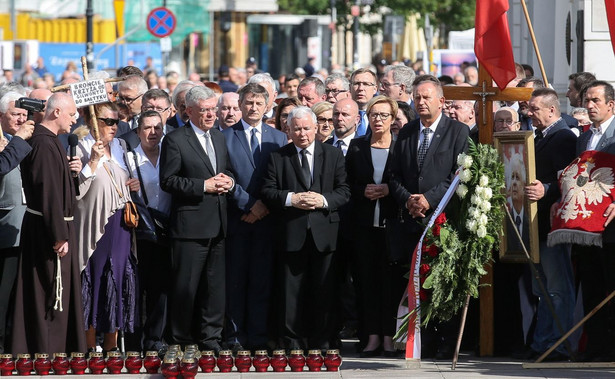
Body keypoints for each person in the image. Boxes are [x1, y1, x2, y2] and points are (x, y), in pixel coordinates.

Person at [389, 75, 469, 358]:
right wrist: (408, 199)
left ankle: (444, 339)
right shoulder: (407, 131)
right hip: (412, 217)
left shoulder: (458, 131)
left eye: (426, 97)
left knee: (442, 279)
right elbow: (394, 174)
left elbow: (457, 174)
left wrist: (429, 199)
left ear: (441, 101)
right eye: (417, 98)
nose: (421, 102)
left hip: (442, 218)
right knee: (414, 280)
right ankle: (419, 338)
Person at [261, 106, 350, 350]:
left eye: (306, 128)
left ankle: (322, 342)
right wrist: (293, 199)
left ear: (316, 128)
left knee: (324, 290)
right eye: (297, 128)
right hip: (292, 232)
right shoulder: (278, 157)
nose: (302, 133)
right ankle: (293, 342)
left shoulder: (332, 154)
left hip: (325, 234)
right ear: (288, 129)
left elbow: (344, 191)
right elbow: (268, 190)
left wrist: (322, 200)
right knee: (291, 292)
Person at [159, 86, 235, 352]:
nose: (211, 115)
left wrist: (229, 182)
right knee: (186, 288)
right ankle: (180, 339)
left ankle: (210, 339)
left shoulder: (219, 137)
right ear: (189, 111)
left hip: (218, 224)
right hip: (190, 227)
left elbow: (225, 171)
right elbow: (168, 180)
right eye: (204, 110)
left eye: (213, 109)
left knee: (215, 289)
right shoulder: (176, 139)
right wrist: (203, 186)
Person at [11, 92, 86, 355]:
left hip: (54, 226)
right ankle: (47, 353)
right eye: (72, 113)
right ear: (56, 112)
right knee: (50, 292)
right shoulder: (43, 143)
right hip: (49, 231)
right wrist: (59, 234)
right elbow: (48, 192)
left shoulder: (52, 141)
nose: (76, 118)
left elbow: (59, 187)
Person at [222, 83, 288, 351]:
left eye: (259, 103)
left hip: (267, 223)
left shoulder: (279, 138)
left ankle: (260, 337)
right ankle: (235, 337)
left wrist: (265, 207)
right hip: (237, 220)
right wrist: (249, 205)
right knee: (236, 282)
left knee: (262, 282)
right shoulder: (224, 137)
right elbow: (224, 177)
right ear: (240, 104)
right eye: (248, 102)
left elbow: (282, 178)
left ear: (267, 106)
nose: (253, 108)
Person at [74, 102, 141, 354]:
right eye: (108, 121)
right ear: (93, 121)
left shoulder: (121, 147)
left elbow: (123, 181)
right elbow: (76, 190)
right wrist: (92, 161)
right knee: (94, 277)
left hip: (121, 224)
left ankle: (112, 343)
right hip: (93, 224)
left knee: (117, 277)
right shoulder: (80, 146)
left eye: (117, 121)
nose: (114, 126)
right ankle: (90, 343)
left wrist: (132, 184)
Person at [519, 88, 577, 360]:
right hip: (536, 225)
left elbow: (571, 180)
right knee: (541, 288)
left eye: (534, 109)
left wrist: (548, 189)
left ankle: (558, 344)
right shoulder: (541, 136)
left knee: (557, 288)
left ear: (552, 110)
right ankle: (543, 343)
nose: (529, 113)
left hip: (552, 226)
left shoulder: (563, 137)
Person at [345, 95, 403, 357]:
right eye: (373, 115)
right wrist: (362, 190)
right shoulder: (357, 147)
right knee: (366, 282)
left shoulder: (401, 146)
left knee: (390, 283)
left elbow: (407, 181)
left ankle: (390, 336)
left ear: (393, 119)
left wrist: (388, 189)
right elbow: (345, 183)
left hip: (393, 226)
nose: (378, 120)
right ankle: (371, 336)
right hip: (363, 226)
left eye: (383, 115)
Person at [571, 80, 615, 361]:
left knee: (611, 286)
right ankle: (596, 346)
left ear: (611, 105)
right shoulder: (583, 137)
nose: (588, 106)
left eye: (595, 100)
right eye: (587, 100)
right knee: (592, 286)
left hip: (611, 226)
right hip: (586, 225)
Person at [127, 110, 172, 355]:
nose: (153, 132)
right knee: (137, 287)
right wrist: (127, 188)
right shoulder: (129, 160)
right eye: (147, 128)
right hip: (139, 232)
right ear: (137, 132)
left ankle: (155, 338)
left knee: (160, 287)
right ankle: (133, 340)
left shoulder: (170, 156)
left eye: (157, 128)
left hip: (165, 231)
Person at [0, 92, 35, 354]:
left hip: (29, 226)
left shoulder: (27, 139)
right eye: (16, 114)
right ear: (2, 116)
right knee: (3, 294)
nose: (22, 119)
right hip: (6, 228)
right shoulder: (14, 141)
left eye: (25, 114)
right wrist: (20, 140)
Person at [350, 68, 378, 136]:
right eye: (356, 84)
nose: (360, 88)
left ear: (375, 89)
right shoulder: (340, 114)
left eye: (366, 84)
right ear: (350, 87)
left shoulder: (380, 115)